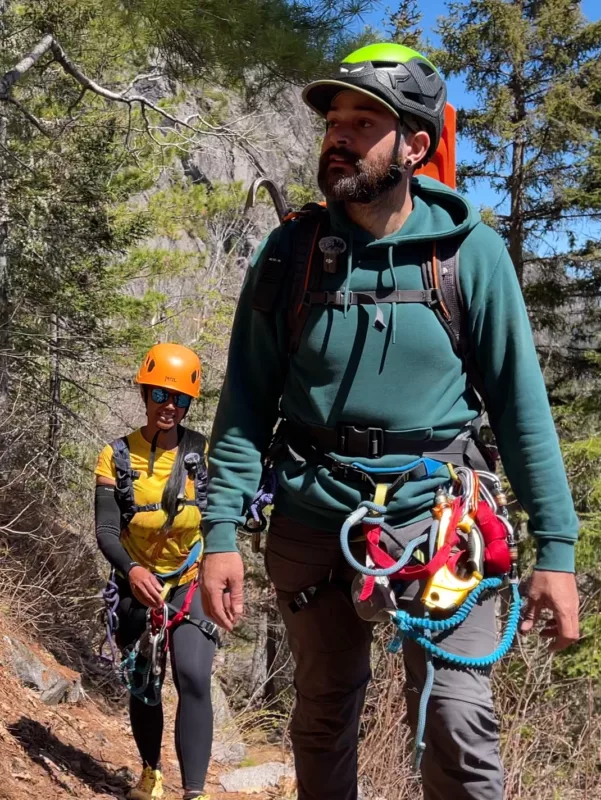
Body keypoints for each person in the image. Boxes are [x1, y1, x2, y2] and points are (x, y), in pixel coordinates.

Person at [202, 42, 580, 800]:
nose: (337, 134)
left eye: (361, 120)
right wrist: (217, 534)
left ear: (414, 143)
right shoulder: (290, 255)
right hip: (313, 519)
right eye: (332, 120)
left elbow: (519, 407)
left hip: (440, 523)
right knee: (319, 716)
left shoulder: (467, 254)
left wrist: (557, 551)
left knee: (457, 721)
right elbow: (244, 403)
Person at [95, 343, 215, 800]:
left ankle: (195, 792)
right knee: (144, 682)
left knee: (192, 676)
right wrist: (132, 571)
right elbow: (106, 530)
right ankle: (150, 771)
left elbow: (223, 510)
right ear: (145, 394)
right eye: (161, 395)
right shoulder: (115, 457)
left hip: (188, 580)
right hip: (135, 579)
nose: (169, 407)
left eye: (180, 400)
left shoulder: (203, 454)